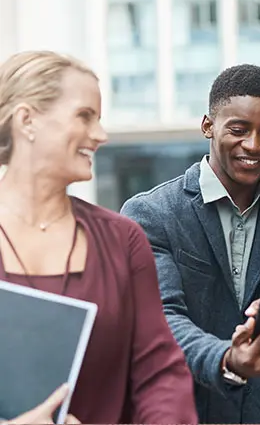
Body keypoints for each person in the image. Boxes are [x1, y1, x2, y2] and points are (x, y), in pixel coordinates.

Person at [121, 64, 260, 424]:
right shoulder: (151, 214)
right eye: (238, 130)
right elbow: (160, 321)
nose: (254, 145)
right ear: (208, 125)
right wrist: (229, 358)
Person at [0, 50, 197, 424]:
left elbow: (160, 374)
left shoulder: (123, 241)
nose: (101, 135)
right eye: (84, 116)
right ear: (27, 120)